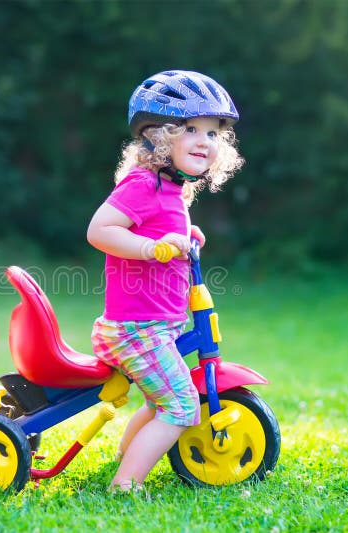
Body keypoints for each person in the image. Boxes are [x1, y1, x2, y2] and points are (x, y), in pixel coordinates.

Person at [87, 70, 245, 491]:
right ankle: (125, 484)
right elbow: (100, 230)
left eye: (213, 133)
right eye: (191, 128)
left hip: (155, 325)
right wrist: (150, 248)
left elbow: (156, 229)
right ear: (159, 136)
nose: (204, 141)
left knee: (164, 401)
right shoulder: (143, 184)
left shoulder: (173, 189)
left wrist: (181, 237)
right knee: (180, 406)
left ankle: (125, 457)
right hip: (135, 329)